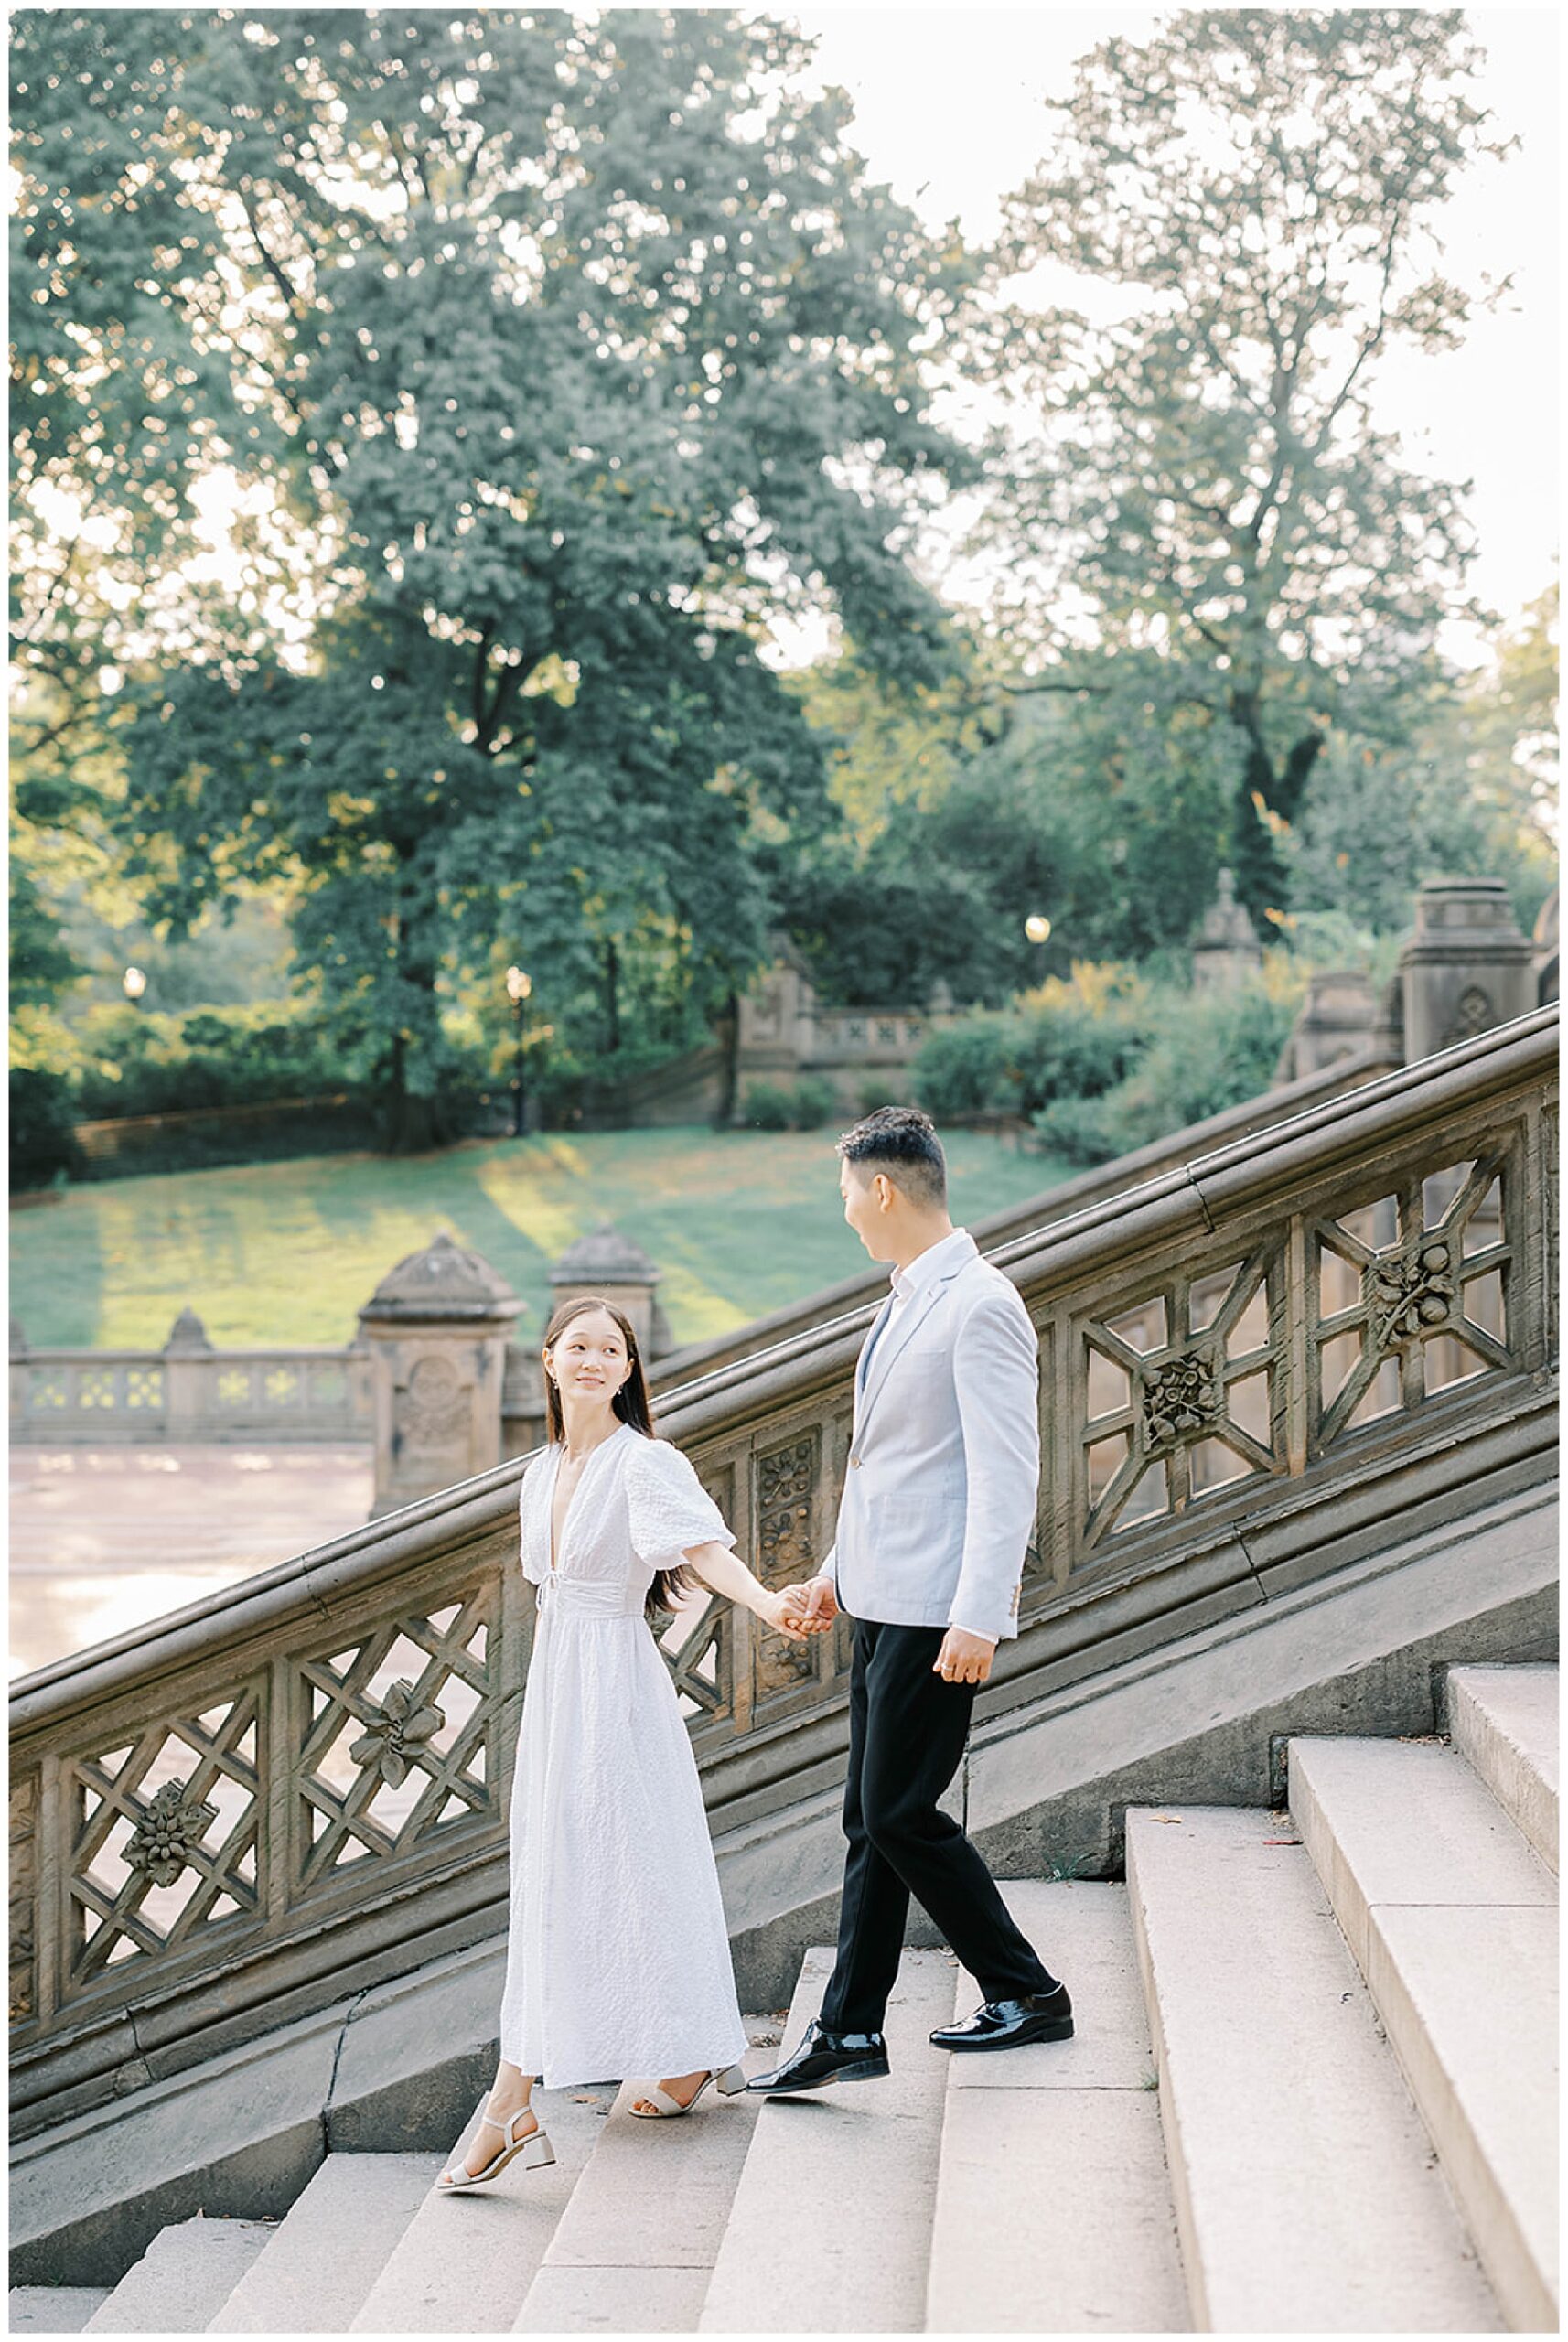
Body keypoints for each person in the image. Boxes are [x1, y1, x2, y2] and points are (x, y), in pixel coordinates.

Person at [437, 1293, 810, 2190]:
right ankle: (640, 2063)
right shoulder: (539, 1470)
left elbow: (701, 1550)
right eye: (580, 1346)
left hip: (617, 1690)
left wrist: (765, 1602)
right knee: (561, 1873)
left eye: (612, 1348)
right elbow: (547, 1587)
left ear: (629, 1368)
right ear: (551, 1360)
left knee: (632, 1860)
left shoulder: (644, 1463)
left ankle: (523, 2097)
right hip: (559, 1690)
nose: (595, 1360)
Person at [749, 1105, 1071, 2096]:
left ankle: (1029, 1991)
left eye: (847, 1190)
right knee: (868, 1814)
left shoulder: (980, 1303)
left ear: (882, 1187)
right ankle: (848, 2030)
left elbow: (1005, 1473)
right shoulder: (901, 1297)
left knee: (897, 1810)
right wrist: (835, 1577)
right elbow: (887, 1467)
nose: (844, 1210)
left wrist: (979, 1615)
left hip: (940, 1610)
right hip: (885, 1597)